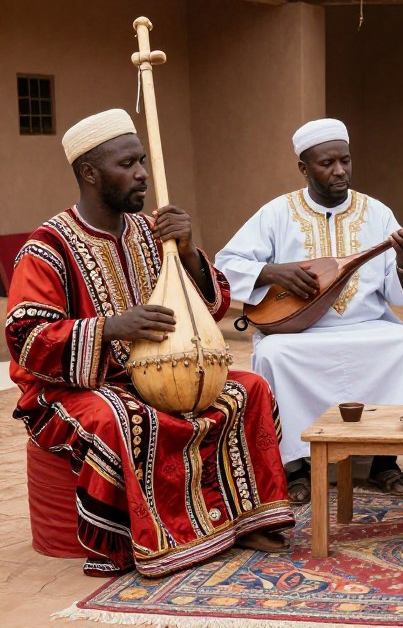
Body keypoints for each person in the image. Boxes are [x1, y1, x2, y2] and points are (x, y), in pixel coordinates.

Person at [6, 109, 294, 577]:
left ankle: (242, 520)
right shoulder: (47, 248)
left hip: (162, 372)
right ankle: (152, 539)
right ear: (89, 173)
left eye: (142, 160)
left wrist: (188, 252)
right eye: (128, 165)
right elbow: (27, 340)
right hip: (79, 388)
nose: (142, 173)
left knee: (247, 388)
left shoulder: (150, 232)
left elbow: (210, 305)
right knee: (121, 416)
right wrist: (112, 328)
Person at [216, 118, 403, 503]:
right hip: (298, 332)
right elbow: (225, 265)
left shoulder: (376, 212)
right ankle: (296, 465)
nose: (340, 171)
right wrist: (271, 271)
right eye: (327, 163)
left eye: (345, 161)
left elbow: (399, 295)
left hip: (369, 325)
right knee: (273, 355)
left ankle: (384, 460)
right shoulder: (277, 213)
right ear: (304, 168)